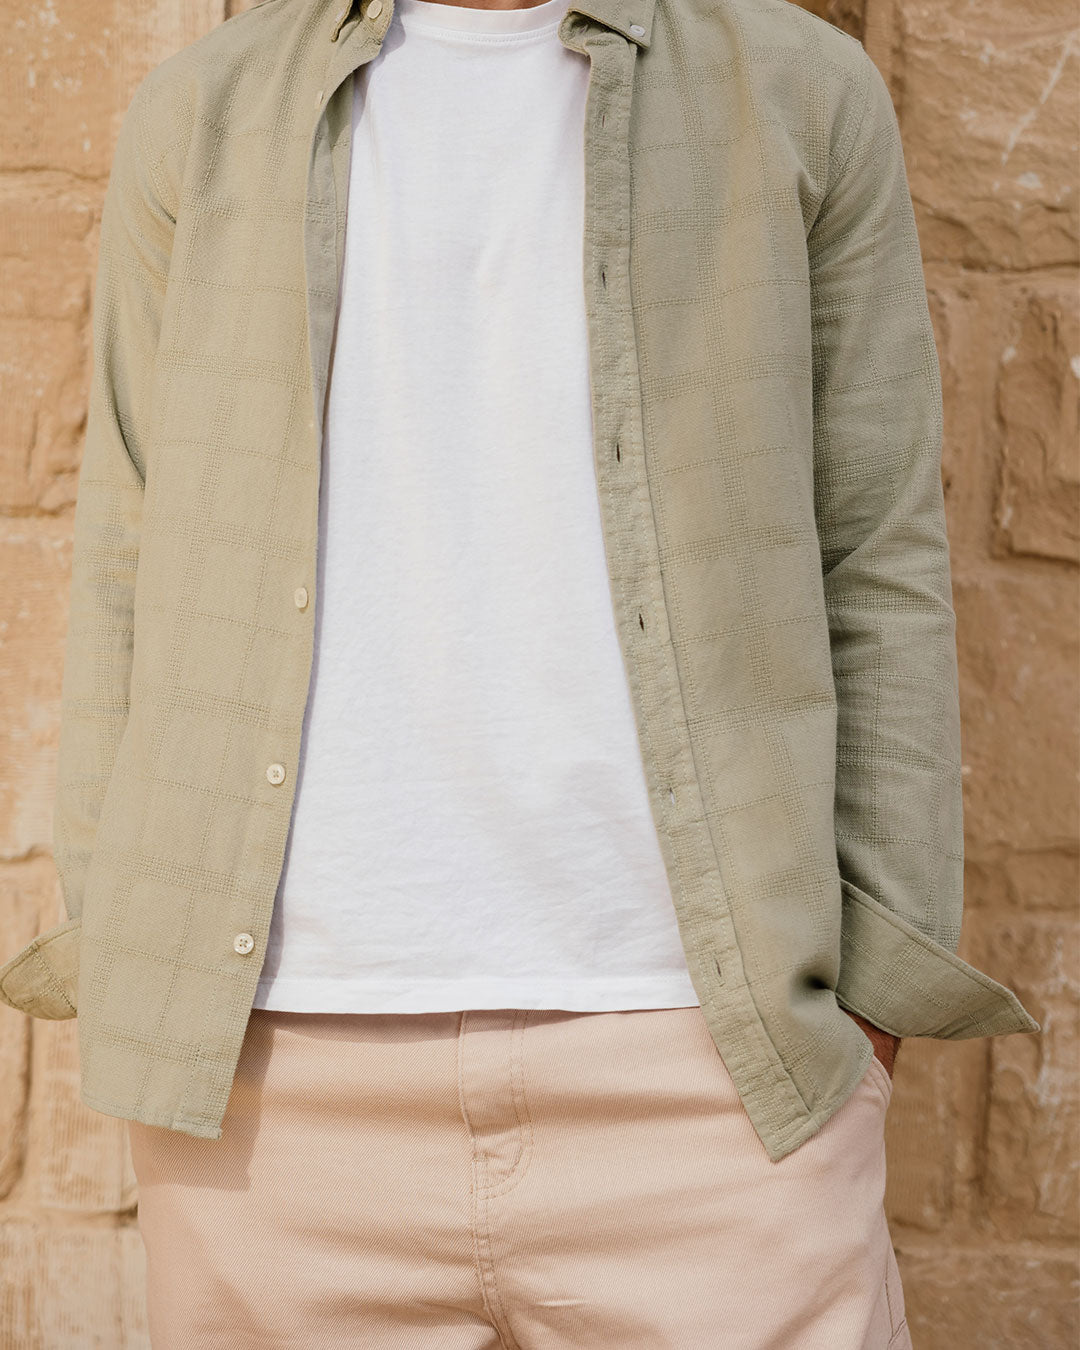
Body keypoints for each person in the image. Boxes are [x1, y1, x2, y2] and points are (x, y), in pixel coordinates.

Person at [0, 0, 1040, 1344]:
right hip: (276, 1090)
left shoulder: (801, 92)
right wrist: (138, 956)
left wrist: (869, 1009)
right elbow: (129, 560)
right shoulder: (204, 112)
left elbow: (878, 547)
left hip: (714, 1074)